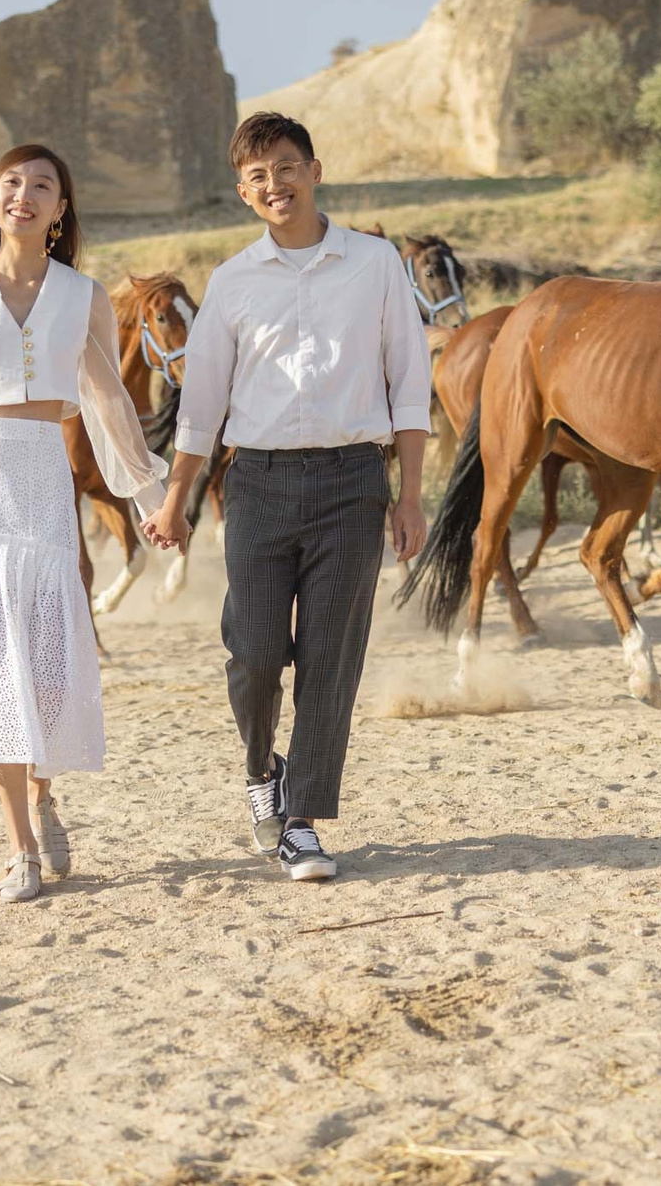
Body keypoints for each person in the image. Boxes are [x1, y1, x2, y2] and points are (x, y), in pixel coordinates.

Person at [144, 113, 430, 881]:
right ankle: (258, 773)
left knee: (331, 660)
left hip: (351, 482)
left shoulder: (373, 265)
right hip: (260, 484)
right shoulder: (233, 282)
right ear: (243, 193)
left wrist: (410, 497)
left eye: (287, 166)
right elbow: (201, 407)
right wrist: (177, 499)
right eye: (259, 175)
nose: (277, 183)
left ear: (315, 170)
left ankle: (301, 819)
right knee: (254, 653)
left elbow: (410, 382)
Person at [0, 143, 175, 903]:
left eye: (41, 186)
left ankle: (46, 794)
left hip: (41, 476)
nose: (24, 194)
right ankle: (19, 847)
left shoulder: (81, 296)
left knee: (44, 664)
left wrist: (149, 496)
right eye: (11, 183)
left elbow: (110, 400)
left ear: (60, 209)